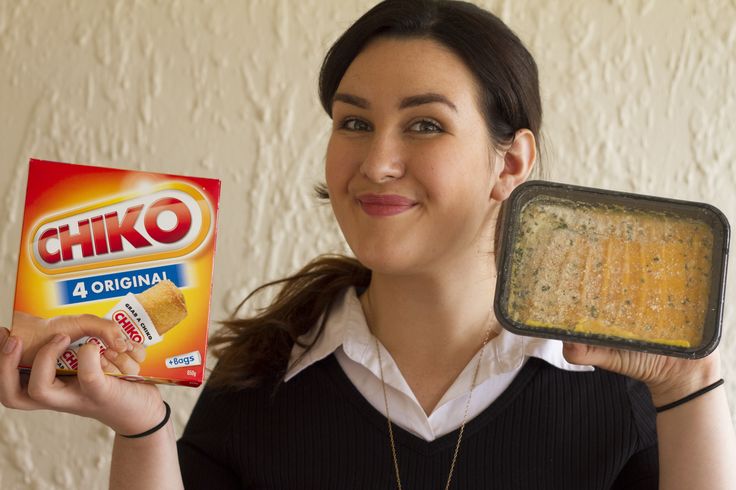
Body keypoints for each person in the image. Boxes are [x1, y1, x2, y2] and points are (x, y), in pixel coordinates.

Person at [1, 0, 734, 488]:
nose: (376, 162)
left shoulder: (623, 389)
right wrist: (142, 429)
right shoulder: (258, 380)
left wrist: (689, 388)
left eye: (425, 125)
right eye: (354, 123)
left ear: (511, 162)